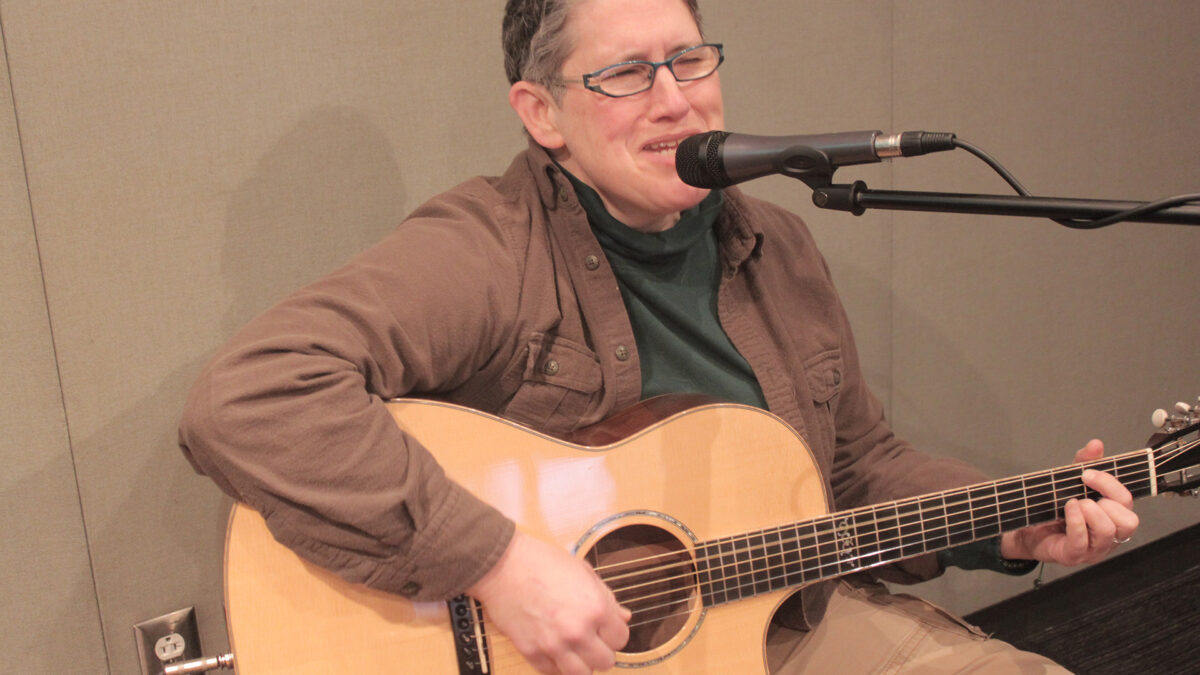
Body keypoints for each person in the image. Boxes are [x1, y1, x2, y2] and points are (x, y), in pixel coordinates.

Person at [178, 0, 1140, 672]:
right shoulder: (483, 247)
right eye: (627, 74)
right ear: (541, 112)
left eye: (689, 60)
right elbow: (250, 397)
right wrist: (499, 563)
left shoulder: (779, 242)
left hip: (785, 627)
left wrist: (1011, 523)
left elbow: (854, 468)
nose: (676, 98)